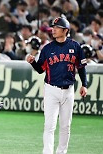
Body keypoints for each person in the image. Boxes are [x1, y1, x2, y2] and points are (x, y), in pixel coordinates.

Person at [26, 17, 87, 154]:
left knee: (65, 126)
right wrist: (32, 62)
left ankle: (61, 152)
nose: (53, 29)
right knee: (49, 126)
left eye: (57, 27)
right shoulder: (47, 48)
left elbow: (81, 67)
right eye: (53, 27)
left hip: (69, 90)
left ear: (65, 30)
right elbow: (41, 69)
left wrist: (85, 84)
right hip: (51, 90)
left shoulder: (75, 46)